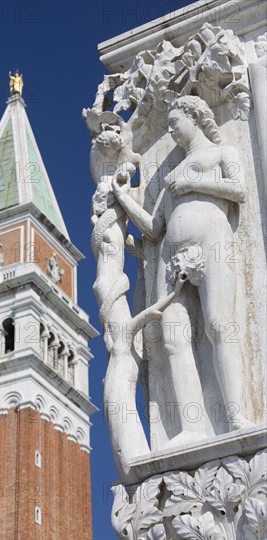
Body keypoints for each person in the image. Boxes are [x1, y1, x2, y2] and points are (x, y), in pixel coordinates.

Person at [112, 95, 250, 446]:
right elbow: (155, 227)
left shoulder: (222, 154)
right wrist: (124, 198)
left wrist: (193, 185)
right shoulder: (172, 175)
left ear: (195, 116)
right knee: (174, 338)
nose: (171, 129)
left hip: (213, 241)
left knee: (219, 325)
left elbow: (239, 191)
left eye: (176, 122)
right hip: (172, 252)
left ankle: (235, 417)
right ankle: (192, 427)